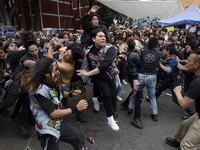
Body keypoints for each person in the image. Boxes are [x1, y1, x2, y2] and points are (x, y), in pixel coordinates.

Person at [20, 57, 88, 150]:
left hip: (57, 123)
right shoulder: (40, 91)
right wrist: (76, 108)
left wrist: (71, 94)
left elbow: (57, 94)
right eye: (56, 69)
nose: (59, 71)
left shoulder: (51, 82)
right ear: (47, 74)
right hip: (47, 130)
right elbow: (53, 114)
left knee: (78, 138)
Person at [77, 28, 119, 131]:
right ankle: (110, 119)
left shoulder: (110, 48)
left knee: (112, 96)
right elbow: (74, 48)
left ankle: (96, 100)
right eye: (100, 36)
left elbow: (104, 65)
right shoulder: (88, 50)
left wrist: (88, 73)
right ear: (93, 39)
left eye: (104, 36)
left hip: (110, 75)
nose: (103, 38)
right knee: (107, 95)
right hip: (98, 77)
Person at [166, 48, 200, 150]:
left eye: (189, 61)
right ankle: (178, 141)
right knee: (185, 125)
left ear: (196, 65)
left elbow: (184, 104)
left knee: (186, 146)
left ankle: (183, 144)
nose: (186, 62)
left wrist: (177, 92)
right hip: (199, 113)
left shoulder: (197, 83)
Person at [137, 37, 161, 121]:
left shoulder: (143, 52)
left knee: (136, 92)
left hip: (141, 75)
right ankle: (154, 114)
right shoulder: (159, 53)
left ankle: (130, 108)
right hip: (152, 76)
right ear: (156, 45)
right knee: (152, 96)